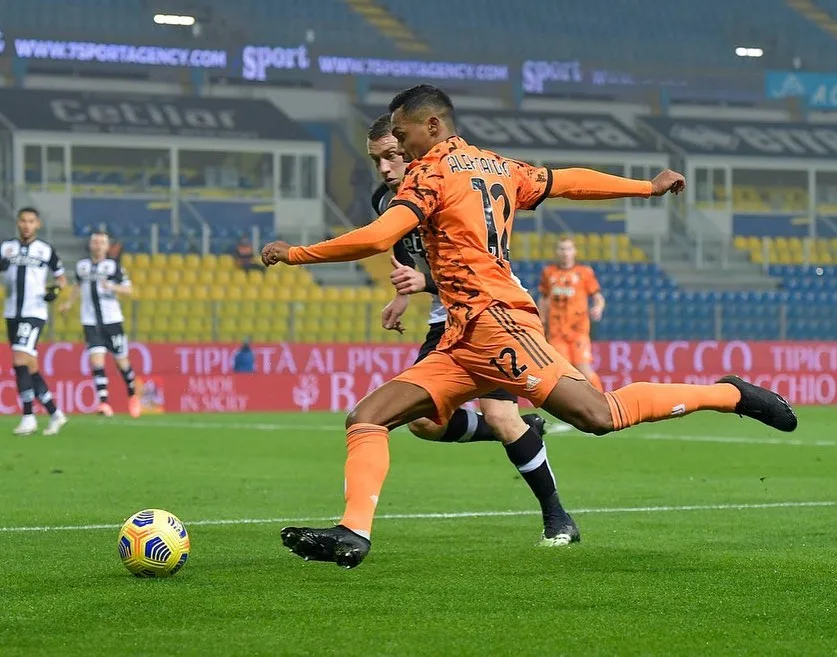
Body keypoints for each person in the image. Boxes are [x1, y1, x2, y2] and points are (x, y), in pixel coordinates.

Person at [261, 85, 797, 569]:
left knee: (598, 415)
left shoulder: (432, 173)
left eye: (401, 136)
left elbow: (380, 238)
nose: (398, 149)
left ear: (432, 127)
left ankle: (730, 394)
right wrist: (644, 188)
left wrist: (297, 252)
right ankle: (353, 532)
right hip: (461, 337)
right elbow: (567, 181)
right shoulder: (498, 167)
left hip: (499, 323)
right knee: (369, 416)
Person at [368, 113, 579, 546]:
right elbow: (408, 250)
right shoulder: (385, 202)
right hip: (444, 320)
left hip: (488, 312)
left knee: (502, 416)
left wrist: (425, 282)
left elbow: (472, 261)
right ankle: (525, 430)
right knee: (423, 423)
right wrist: (404, 294)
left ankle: (558, 517)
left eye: (393, 155)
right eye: (378, 161)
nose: (387, 168)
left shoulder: (455, 184)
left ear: (414, 149)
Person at [1, 207, 68, 435]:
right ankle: (55, 413)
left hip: (34, 311)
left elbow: (61, 277)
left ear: (37, 224)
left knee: (19, 359)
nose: (27, 225)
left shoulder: (45, 250)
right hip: (12, 312)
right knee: (29, 365)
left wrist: (56, 291)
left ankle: (28, 416)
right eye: (23, 221)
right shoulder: (6, 248)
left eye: (31, 221)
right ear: (18, 223)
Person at [60, 231, 141, 418]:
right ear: (90, 245)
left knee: (122, 363)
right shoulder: (82, 267)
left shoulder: (113, 267)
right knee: (96, 362)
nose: (97, 245)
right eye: (94, 242)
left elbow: (129, 289)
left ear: (106, 247)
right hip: (90, 321)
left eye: (101, 242)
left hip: (112, 321)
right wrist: (68, 304)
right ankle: (104, 403)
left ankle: (132, 395)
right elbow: (78, 287)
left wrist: (112, 287)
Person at [538, 238, 605, 393]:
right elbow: (544, 298)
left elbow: (598, 297)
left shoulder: (584, 272)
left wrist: (598, 308)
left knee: (584, 369)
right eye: (562, 249)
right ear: (557, 252)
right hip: (556, 331)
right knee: (563, 372)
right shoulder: (549, 273)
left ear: (574, 251)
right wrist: (542, 319)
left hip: (578, 330)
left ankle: (603, 400)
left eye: (568, 249)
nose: (565, 253)